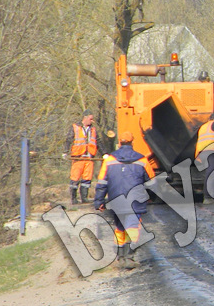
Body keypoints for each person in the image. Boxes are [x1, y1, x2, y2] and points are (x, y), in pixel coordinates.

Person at [94, 130, 154, 269]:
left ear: (119, 142)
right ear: (132, 142)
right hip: (135, 201)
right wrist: (150, 197)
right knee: (133, 227)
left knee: (120, 228)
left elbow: (102, 182)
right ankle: (130, 257)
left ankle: (121, 257)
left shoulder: (109, 160)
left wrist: (99, 201)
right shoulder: (142, 160)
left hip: (116, 200)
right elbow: (151, 182)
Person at [66, 111, 98, 205]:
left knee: (87, 179)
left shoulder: (93, 129)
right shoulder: (75, 128)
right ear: (85, 118)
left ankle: (84, 198)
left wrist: (105, 153)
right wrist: (65, 151)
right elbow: (69, 140)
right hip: (78, 157)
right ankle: (74, 198)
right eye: (91, 119)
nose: (92, 121)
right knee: (75, 178)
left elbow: (98, 141)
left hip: (89, 158)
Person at [195, 112, 214, 199]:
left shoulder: (203, 126)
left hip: (201, 152)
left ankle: (210, 195)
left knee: (210, 172)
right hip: (210, 151)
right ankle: (208, 197)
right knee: (212, 173)